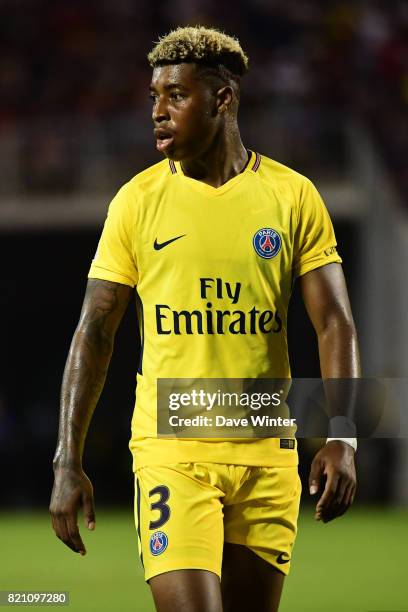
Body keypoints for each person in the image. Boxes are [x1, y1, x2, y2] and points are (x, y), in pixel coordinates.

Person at [49, 26, 359, 612]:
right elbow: (94, 331)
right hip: (172, 453)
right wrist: (68, 459)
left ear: (223, 100)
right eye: (153, 97)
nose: (158, 113)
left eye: (176, 96)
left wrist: (343, 435)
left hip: (267, 450)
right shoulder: (136, 202)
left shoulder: (293, 196)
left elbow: (335, 323)